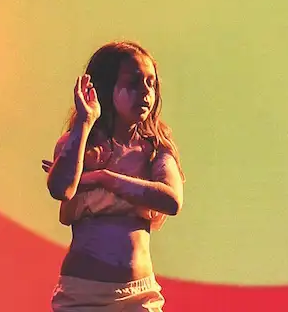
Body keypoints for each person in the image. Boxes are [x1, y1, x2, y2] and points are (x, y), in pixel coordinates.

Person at [41, 41, 184, 311]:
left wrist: (102, 178)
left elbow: (171, 200)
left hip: (139, 295)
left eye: (151, 83)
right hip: (84, 295)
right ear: (106, 89)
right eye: (133, 83)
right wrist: (85, 121)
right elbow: (61, 189)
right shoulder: (78, 142)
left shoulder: (156, 148)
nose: (145, 92)